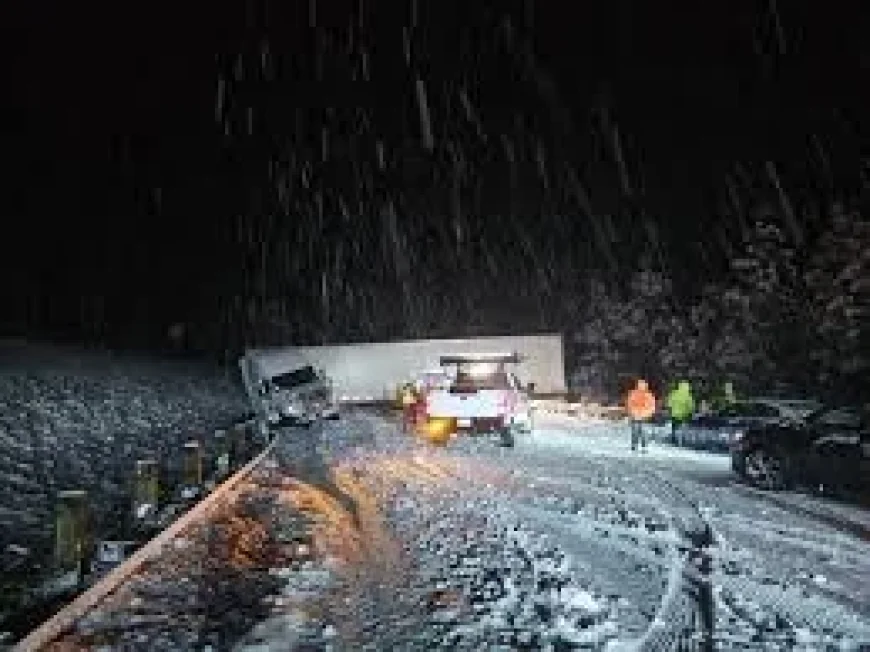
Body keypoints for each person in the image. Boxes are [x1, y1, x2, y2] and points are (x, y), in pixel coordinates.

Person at [626, 379, 656, 451]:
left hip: (637, 416)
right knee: (643, 432)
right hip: (643, 416)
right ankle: (643, 446)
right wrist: (649, 413)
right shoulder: (649, 395)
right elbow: (652, 406)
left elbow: (629, 404)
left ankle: (635, 445)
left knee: (636, 432)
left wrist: (632, 412)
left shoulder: (633, 394)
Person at [666, 380, 695, 446]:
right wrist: (690, 412)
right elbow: (691, 406)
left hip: (674, 414)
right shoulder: (688, 396)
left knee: (674, 428)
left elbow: (669, 403)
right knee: (682, 429)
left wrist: (670, 409)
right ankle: (681, 441)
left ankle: (673, 439)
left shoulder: (674, 393)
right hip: (684, 415)